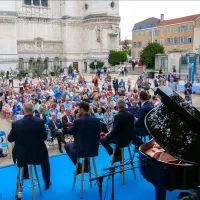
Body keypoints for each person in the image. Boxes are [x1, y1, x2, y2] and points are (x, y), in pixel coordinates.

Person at [8, 103, 51, 189]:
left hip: (22, 157)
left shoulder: (16, 124)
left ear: (23, 111)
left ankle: (24, 175)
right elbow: (44, 137)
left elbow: (10, 139)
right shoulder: (40, 122)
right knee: (45, 163)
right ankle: (47, 182)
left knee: (18, 150)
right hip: (39, 155)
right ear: (33, 111)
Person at [64, 102, 101, 173]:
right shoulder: (96, 120)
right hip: (94, 149)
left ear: (82, 109)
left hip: (81, 150)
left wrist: (75, 120)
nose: (78, 111)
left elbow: (70, 132)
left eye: (79, 109)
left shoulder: (78, 121)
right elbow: (98, 134)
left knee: (66, 146)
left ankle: (79, 166)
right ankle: (85, 165)